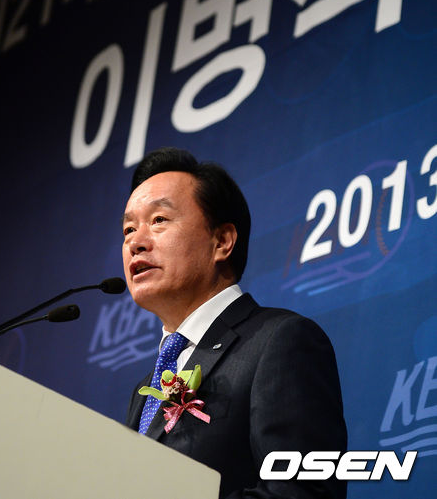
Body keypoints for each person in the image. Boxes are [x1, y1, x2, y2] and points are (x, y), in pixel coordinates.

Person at [123, 147, 347, 499]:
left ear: (222, 241)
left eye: (159, 220)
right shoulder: (145, 387)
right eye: (128, 229)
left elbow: (302, 491)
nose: (136, 242)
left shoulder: (279, 341)